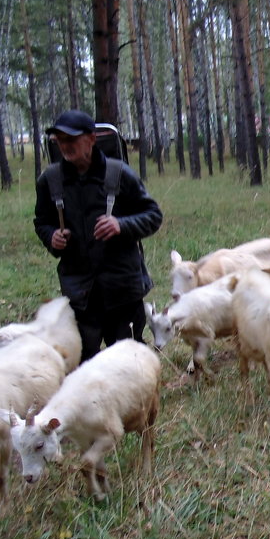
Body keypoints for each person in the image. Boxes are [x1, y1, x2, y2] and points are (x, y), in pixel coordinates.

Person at [34, 109, 163, 362]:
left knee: (128, 361)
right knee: (85, 364)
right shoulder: (50, 180)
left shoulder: (119, 173)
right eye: (60, 141)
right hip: (80, 293)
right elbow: (42, 222)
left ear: (91, 139)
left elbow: (153, 215)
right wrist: (52, 237)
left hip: (122, 288)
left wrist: (121, 225)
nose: (65, 146)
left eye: (71, 139)